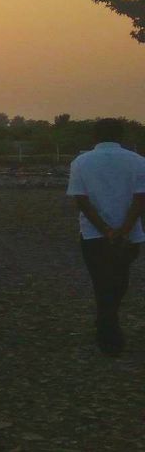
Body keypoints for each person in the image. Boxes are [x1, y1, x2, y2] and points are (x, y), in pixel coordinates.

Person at [66, 118, 145, 356]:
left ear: (95, 137)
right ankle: (108, 327)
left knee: (101, 281)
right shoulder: (138, 162)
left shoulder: (81, 162)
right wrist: (123, 229)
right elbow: (140, 199)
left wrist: (104, 229)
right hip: (128, 235)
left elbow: (81, 200)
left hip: (93, 235)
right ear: (121, 136)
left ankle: (106, 327)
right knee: (120, 279)